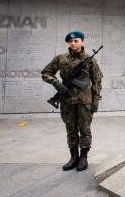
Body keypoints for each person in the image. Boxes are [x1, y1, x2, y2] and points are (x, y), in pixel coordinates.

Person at [41, 31, 103, 171]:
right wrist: (57, 83)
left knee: (85, 130)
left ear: (82, 42)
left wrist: (96, 100)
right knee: (71, 130)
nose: (73, 43)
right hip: (67, 100)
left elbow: (97, 81)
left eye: (76, 40)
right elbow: (45, 73)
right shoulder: (60, 59)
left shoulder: (90, 59)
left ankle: (83, 158)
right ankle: (73, 157)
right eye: (71, 41)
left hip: (84, 101)